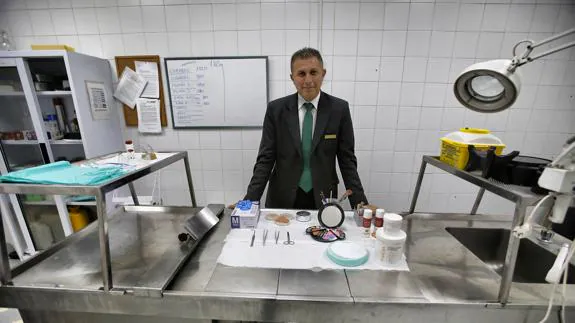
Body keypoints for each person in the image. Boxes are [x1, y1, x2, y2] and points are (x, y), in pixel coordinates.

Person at [244, 47, 368, 210]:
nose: (308, 80)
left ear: (323, 74)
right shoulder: (276, 109)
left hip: (323, 196)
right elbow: (265, 159)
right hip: (282, 196)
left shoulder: (339, 109)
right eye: (301, 74)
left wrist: (360, 204)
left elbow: (347, 161)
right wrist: (248, 202)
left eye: (313, 72)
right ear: (292, 77)